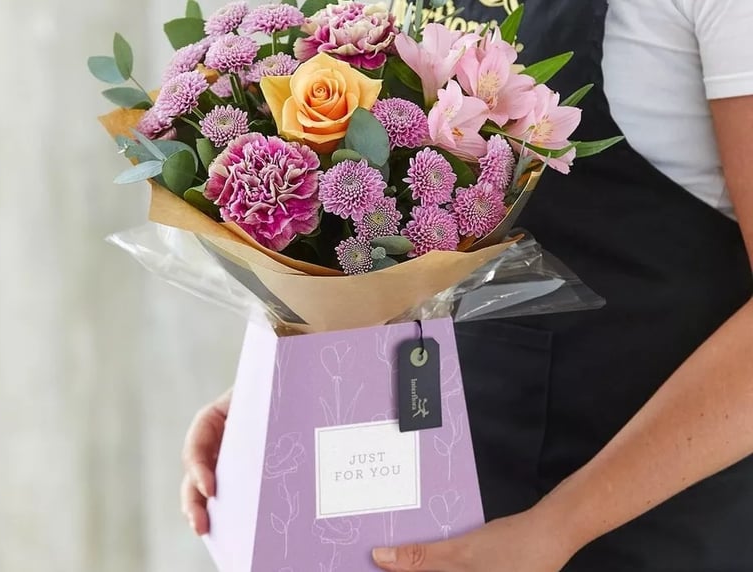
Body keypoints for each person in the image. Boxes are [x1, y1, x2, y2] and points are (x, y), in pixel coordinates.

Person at [181, 0, 753, 569]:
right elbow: (392, 229)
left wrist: (559, 527)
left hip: (641, 521)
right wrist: (286, 392)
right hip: (428, 489)